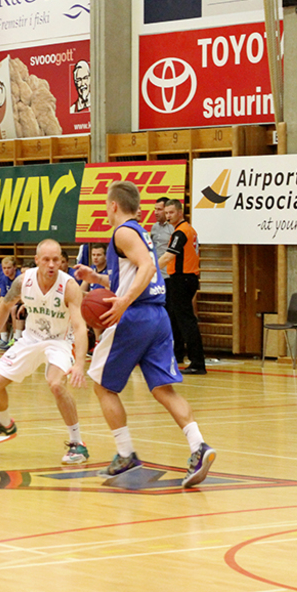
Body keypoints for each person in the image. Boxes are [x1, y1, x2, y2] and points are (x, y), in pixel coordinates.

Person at [78, 180, 215, 488]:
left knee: (103, 387)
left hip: (135, 317)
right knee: (164, 390)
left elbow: (147, 269)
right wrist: (96, 277)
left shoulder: (123, 232)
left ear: (113, 205)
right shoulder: (140, 233)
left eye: (106, 204)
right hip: (157, 317)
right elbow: (132, 274)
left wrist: (124, 302)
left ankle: (126, 454)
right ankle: (199, 446)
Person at [0, 239, 90, 465]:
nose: (51, 264)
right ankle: (5, 424)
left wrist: (79, 363)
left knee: (56, 384)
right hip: (31, 338)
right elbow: (4, 307)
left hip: (60, 341)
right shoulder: (23, 281)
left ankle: (77, 443)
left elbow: (79, 326)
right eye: (46, 259)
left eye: (56, 260)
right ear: (37, 260)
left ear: (62, 261)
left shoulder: (69, 286)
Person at [158, 199, 207, 375]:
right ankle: (180, 355)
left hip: (182, 279)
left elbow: (168, 256)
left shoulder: (181, 232)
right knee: (178, 318)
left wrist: (150, 270)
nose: (168, 216)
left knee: (186, 321)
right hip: (185, 279)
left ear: (180, 213)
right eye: (166, 212)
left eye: (171, 212)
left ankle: (197, 362)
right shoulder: (188, 230)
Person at [0, 255, 21, 350]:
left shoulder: (19, 278)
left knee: (13, 309)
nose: (6, 270)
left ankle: (16, 338)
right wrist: (0, 303)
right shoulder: (4, 278)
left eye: (9, 268)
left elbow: (20, 297)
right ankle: (3, 338)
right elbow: (2, 296)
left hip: (20, 302)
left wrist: (7, 303)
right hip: (11, 302)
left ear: (15, 267)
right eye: (4, 268)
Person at [150, 196, 174, 282]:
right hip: (155, 273)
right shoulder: (154, 227)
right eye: (155, 209)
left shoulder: (173, 227)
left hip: (169, 274)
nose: (156, 212)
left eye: (159, 209)